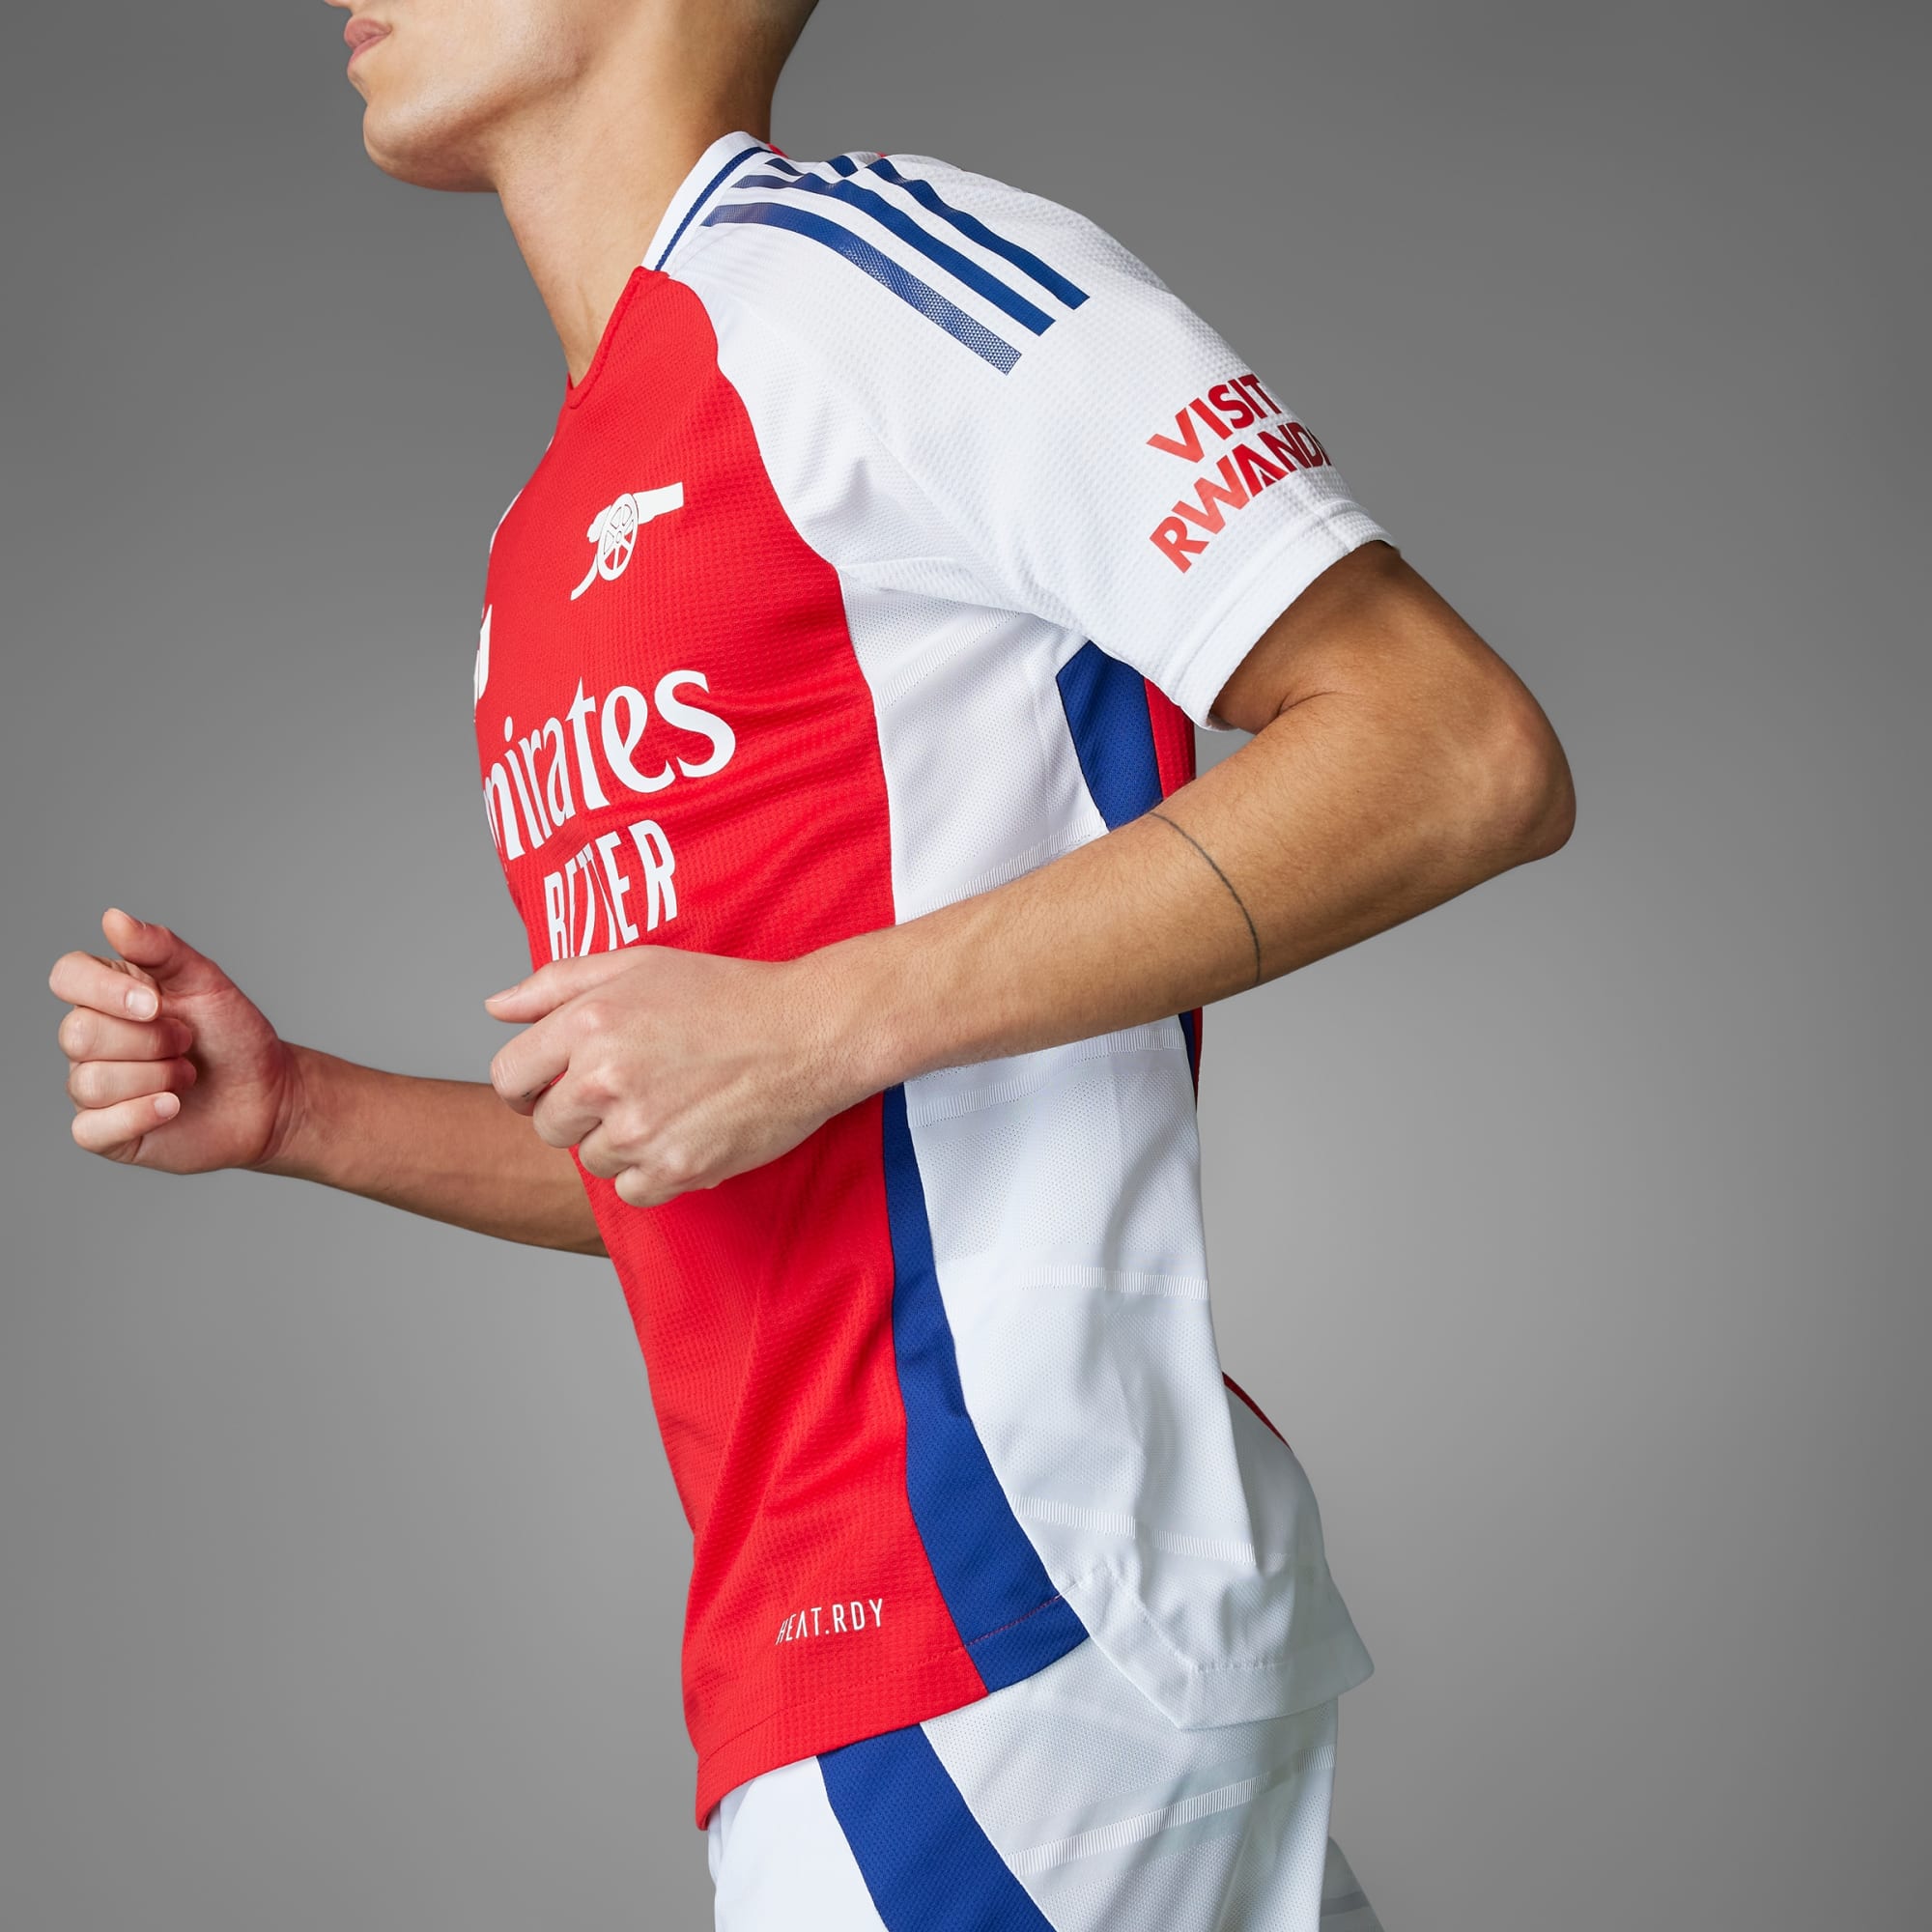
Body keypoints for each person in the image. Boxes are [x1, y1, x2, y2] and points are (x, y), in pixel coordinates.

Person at [47, 2, 1575, 1924]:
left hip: (991, 1608)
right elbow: (729, 1126)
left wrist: (810, 1021)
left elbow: (1453, 746)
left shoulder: (867, 293)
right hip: (865, 1650)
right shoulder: (544, 543)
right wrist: (303, 1112)